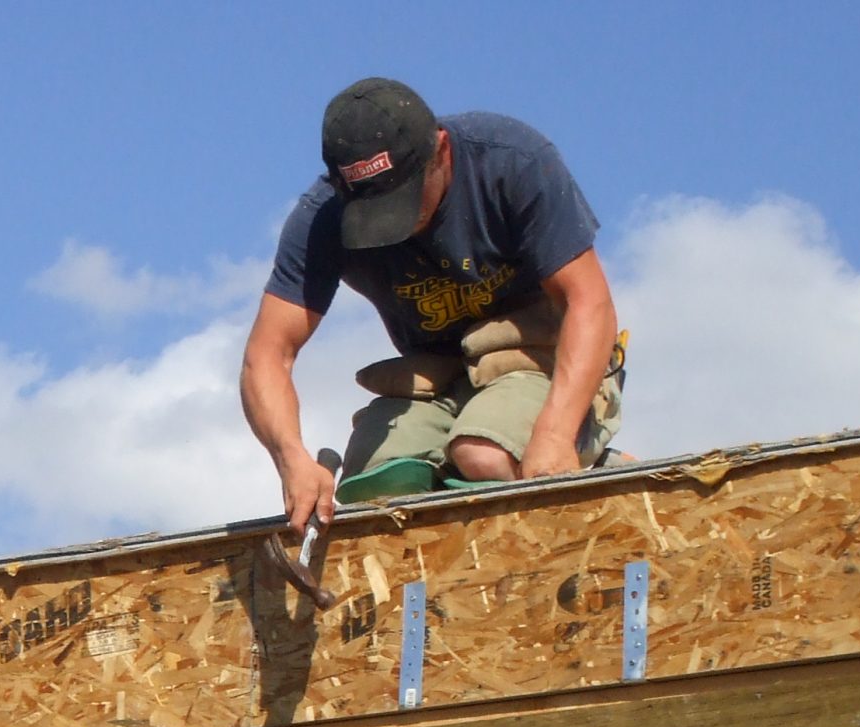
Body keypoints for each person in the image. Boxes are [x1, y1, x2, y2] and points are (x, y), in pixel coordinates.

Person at [240, 77, 624, 522]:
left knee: (483, 455)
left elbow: (589, 301)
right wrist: (291, 457)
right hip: (439, 376)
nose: (395, 224)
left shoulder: (512, 161)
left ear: (441, 151)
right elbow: (267, 355)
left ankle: (606, 471)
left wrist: (556, 434)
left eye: (404, 200)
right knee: (375, 487)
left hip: (542, 358)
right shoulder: (320, 219)